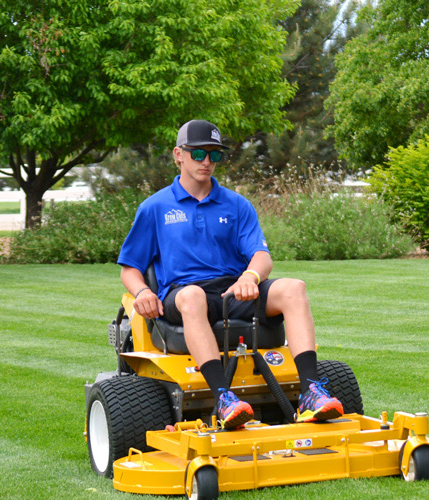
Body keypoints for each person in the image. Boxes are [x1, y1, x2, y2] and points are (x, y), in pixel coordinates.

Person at [117, 119, 342, 429]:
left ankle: (310, 393)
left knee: (294, 288)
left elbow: (261, 256)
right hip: (182, 294)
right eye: (198, 154)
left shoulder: (237, 206)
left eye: (214, 155)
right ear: (178, 155)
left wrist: (250, 276)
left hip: (233, 292)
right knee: (193, 296)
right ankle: (223, 398)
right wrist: (142, 292)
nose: (207, 162)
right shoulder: (154, 208)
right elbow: (130, 268)